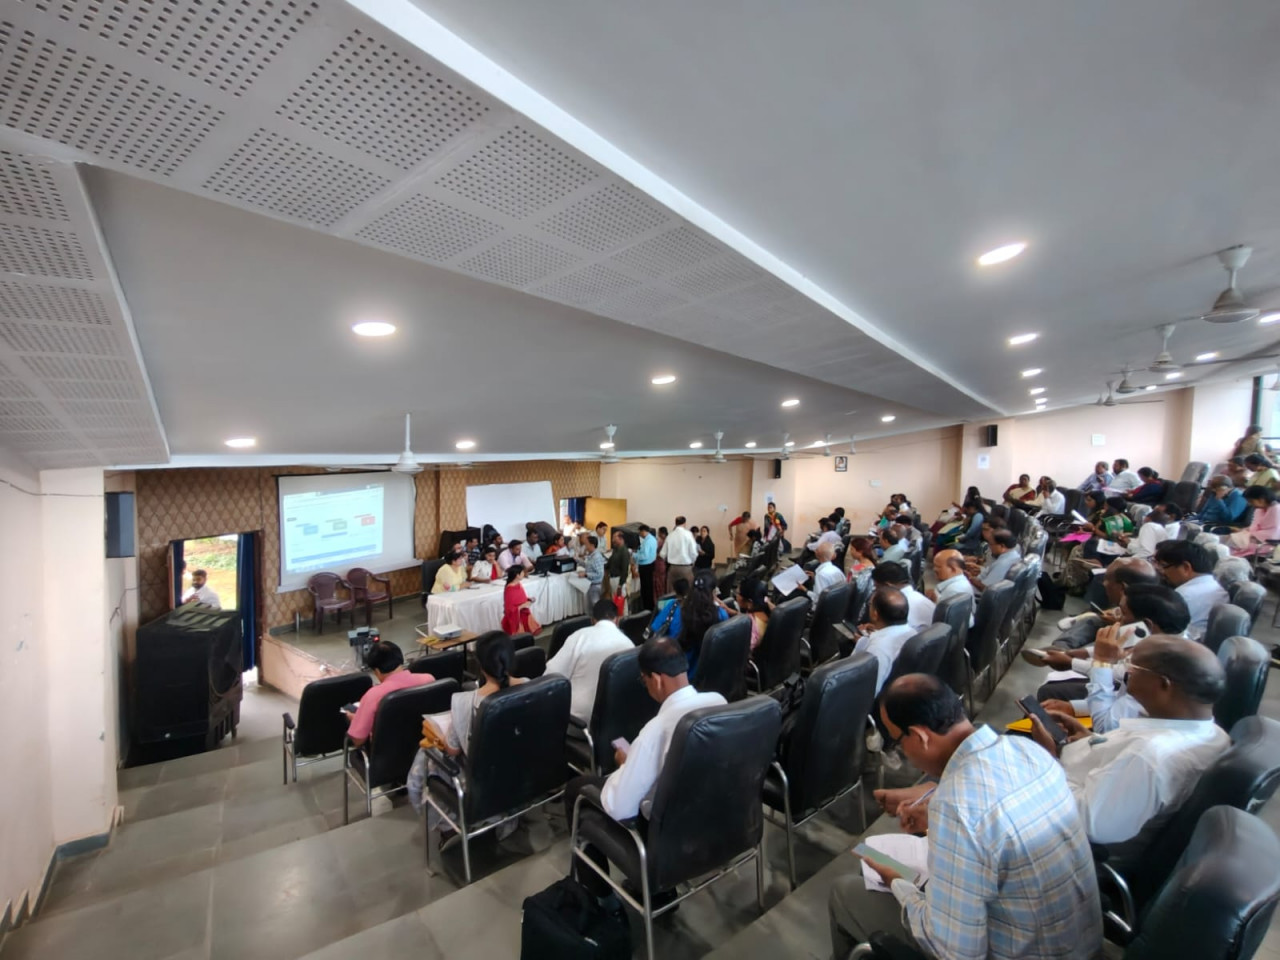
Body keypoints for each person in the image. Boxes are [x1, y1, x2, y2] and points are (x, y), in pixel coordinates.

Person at [829, 675, 1101, 959]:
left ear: (920, 737)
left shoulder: (956, 807)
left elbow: (954, 951)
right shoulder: (1029, 750)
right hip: (1079, 944)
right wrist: (935, 819)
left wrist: (898, 883)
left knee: (844, 892)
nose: (902, 752)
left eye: (897, 741)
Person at [1026, 635, 1228, 864]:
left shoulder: (1149, 758)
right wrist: (1091, 740)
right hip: (1082, 779)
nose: (1126, 672)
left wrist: (1049, 758)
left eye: (1133, 667)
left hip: (1062, 838)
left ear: (1163, 684)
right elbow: (1122, 765)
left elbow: (1085, 822)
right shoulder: (1213, 733)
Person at [563, 636, 729, 896]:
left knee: (576, 790)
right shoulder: (718, 702)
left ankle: (600, 898)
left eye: (644, 680)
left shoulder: (655, 731)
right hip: (712, 819)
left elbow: (620, 807)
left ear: (657, 679)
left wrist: (625, 767)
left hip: (666, 835)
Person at [406, 632, 526, 837]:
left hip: (484, 781)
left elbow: (452, 749)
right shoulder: (531, 685)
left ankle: (447, 823)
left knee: (425, 754)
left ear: (480, 665)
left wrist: (440, 735)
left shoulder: (465, 703)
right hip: (521, 774)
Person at [1031, 581, 1189, 713]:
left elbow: (1110, 718)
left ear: (1146, 624)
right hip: (1116, 699)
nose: (1118, 619)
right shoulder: (1159, 639)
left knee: (1051, 692)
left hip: (1117, 719)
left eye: (1123, 613)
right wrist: (1081, 653)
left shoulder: (1160, 664)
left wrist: (1072, 663)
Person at [546, 598, 633, 725]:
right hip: (616, 720)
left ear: (592, 620)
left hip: (578, 720)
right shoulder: (629, 644)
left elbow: (551, 677)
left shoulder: (579, 637)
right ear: (617, 619)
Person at [344, 640, 436, 747]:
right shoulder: (429, 680)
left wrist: (355, 720)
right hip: (427, 746)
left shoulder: (373, 696)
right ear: (400, 659)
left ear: (377, 671)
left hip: (389, 753)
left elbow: (358, 741)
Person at [1154, 539, 1228, 639]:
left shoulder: (1182, 596)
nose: (1162, 572)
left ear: (1186, 567)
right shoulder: (1219, 590)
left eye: (1164, 566)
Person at [852, 588, 917, 693]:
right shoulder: (913, 633)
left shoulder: (877, 650)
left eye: (870, 604)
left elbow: (870, 691)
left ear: (875, 614)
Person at [674, 569, 728, 673]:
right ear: (713, 592)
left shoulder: (674, 609)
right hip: (711, 673)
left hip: (679, 674)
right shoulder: (721, 614)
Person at [871, 561, 934, 629]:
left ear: (887, 586)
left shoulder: (899, 606)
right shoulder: (920, 599)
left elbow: (896, 633)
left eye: (877, 587)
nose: (876, 591)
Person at [1229, 484, 1280, 556]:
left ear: (1262, 499)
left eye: (1251, 501)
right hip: (1255, 538)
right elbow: (1255, 526)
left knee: (1231, 542)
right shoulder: (1260, 509)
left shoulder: (1276, 509)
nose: (1250, 504)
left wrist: (1248, 534)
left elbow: (1273, 533)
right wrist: (1244, 531)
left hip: (1267, 544)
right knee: (1229, 539)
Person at [925, 548, 974, 621]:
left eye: (938, 566)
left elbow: (941, 617)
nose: (934, 569)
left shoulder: (953, 591)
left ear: (953, 569)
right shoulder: (959, 582)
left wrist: (934, 601)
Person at [660, 516, 698, 595]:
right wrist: (692, 562)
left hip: (673, 568)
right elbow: (694, 553)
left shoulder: (670, 535)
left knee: (672, 593)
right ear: (684, 523)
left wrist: (669, 560)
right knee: (687, 592)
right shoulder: (688, 534)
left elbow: (662, 554)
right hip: (686, 568)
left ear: (675, 523)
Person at [500, 565, 540, 635]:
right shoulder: (510, 589)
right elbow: (509, 609)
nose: (524, 574)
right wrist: (522, 606)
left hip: (523, 614)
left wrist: (528, 599)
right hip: (517, 617)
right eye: (522, 572)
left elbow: (520, 598)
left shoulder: (518, 584)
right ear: (517, 575)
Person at [736, 577, 771, 650]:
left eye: (738, 593)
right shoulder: (764, 612)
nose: (736, 596)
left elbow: (743, 649)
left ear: (749, 602)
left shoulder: (750, 624)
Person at [604, 530, 631, 608]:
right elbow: (609, 563)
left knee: (621, 603)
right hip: (612, 578)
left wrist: (620, 585)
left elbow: (625, 570)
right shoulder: (616, 550)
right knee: (615, 602)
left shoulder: (624, 551)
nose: (612, 540)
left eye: (614, 537)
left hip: (618, 580)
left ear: (621, 539)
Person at [579, 534, 605, 609]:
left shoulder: (596, 557)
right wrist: (577, 560)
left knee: (595, 607)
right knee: (590, 608)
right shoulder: (591, 556)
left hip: (595, 586)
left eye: (587, 544)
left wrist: (586, 574)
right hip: (590, 585)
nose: (585, 546)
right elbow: (588, 565)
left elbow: (599, 574)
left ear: (592, 545)